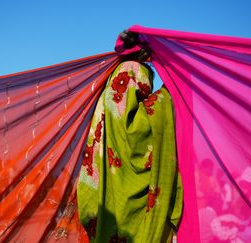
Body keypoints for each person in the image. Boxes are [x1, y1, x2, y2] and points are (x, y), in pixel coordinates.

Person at [76, 31, 183, 242]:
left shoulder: (116, 73)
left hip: (111, 181)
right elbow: (132, 129)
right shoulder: (132, 71)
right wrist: (167, 96)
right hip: (125, 181)